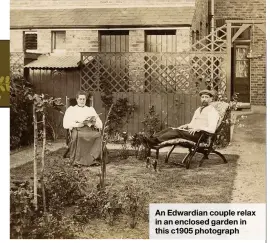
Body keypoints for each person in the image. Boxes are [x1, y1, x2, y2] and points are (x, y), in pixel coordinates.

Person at [145, 89, 220, 146]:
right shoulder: (198, 110)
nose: (204, 99)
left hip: (201, 136)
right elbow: (192, 124)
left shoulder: (212, 112)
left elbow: (212, 129)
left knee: (178, 132)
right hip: (192, 132)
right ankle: (151, 138)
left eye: (206, 97)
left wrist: (199, 128)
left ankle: (155, 141)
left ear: (211, 99)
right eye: (202, 97)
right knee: (171, 129)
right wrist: (187, 125)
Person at [63, 90, 105, 166]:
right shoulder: (71, 109)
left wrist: (94, 122)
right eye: (80, 99)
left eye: (84, 99)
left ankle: (93, 159)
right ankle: (78, 160)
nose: (82, 101)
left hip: (89, 129)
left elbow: (100, 124)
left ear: (86, 100)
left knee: (98, 135)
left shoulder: (90, 109)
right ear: (77, 99)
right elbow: (66, 123)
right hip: (77, 129)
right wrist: (78, 125)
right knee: (79, 136)